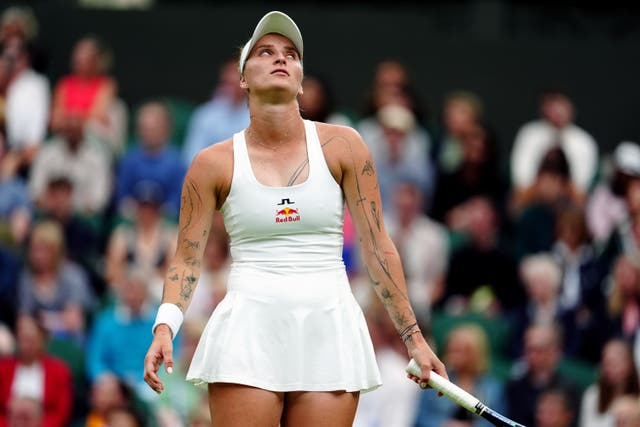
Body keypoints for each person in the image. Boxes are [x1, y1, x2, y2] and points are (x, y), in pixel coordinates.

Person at [143, 11, 446, 427]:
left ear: (301, 81)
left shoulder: (346, 145)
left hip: (330, 327)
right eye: (265, 52)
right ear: (243, 78)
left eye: (291, 54)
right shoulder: (211, 163)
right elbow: (186, 259)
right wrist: (165, 327)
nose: (281, 58)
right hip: (247, 330)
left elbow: (377, 247)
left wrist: (413, 338)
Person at [0, 315, 73, 427]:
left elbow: (61, 411)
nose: (26, 346)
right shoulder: (3, 368)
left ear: (42, 340)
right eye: (22, 339)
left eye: (31, 340)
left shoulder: (58, 370)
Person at [181, 57, 250, 166]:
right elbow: (191, 156)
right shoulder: (205, 114)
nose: (230, 88)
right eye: (226, 83)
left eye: (235, 83)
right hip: (209, 175)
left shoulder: (259, 115)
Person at [579, 339, 640, 427]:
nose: (610, 368)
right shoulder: (592, 394)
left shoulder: (637, 401)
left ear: (630, 364)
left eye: (615, 363)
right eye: (607, 363)